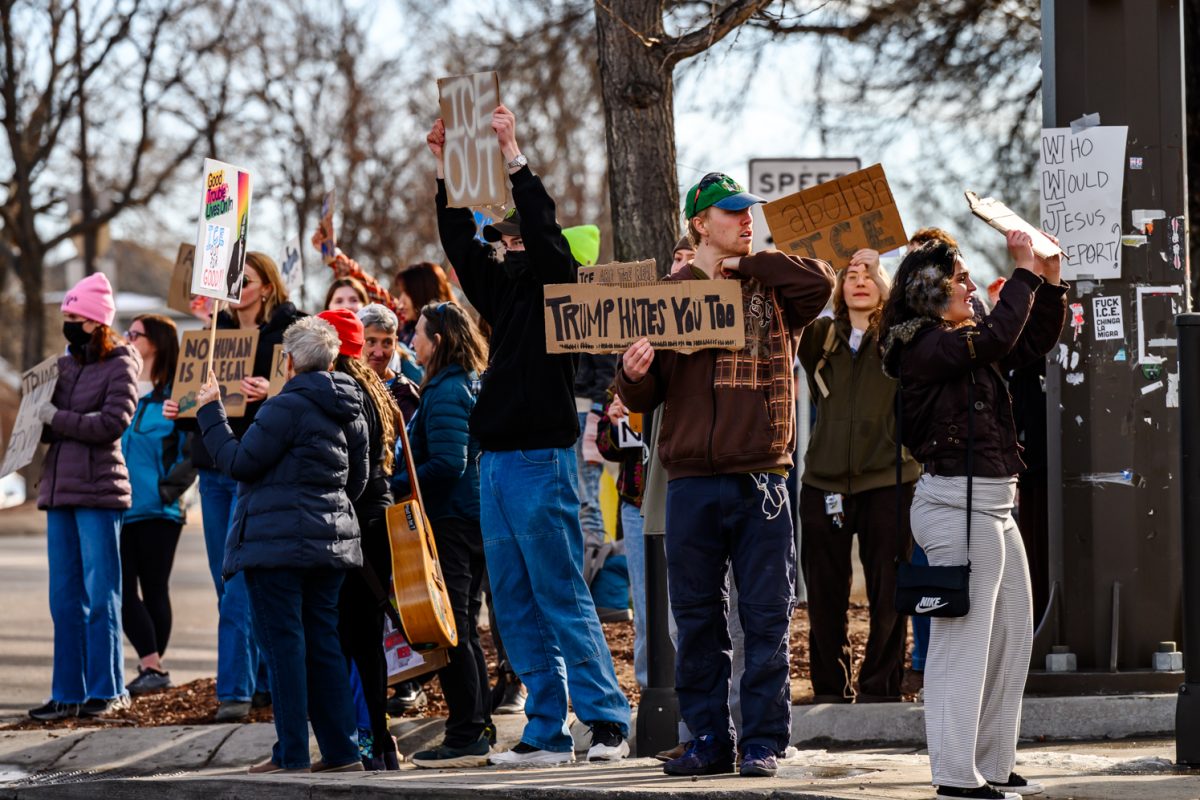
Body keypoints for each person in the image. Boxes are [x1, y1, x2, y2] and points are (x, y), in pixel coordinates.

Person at [428, 105, 631, 766]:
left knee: (560, 593)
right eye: (504, 237)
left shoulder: (553, 283)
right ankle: (544, 728)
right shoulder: (502, 291)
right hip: (496, 465)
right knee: (513, 604)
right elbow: (460, 247)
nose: (505, 243)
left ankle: (605, 721)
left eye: (513, 236)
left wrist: (512, 153)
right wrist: (444, 172)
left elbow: (544, 233)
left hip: (544, 457)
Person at [617, 171, 834, 778]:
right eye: (731, 212)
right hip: (689, 480)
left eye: (747, 210)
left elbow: (822, 283)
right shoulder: (668, 294)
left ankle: (763, 741)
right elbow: (642, 390)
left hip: (762, 477)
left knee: (765, 616)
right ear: (698, 223)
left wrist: (756, 263)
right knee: (696, 620)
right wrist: (633, 373)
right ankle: (708, 737)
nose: (744, 219)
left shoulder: (775, 284)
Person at [878, 231, 1064, 800]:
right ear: (929, 294)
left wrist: (1050, 281)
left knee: (1011, 636)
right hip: (953, 505)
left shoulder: (966, 337)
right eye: (956, 279)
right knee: (963, 643)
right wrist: (1026, 272)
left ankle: (993, 761)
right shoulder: (926, 345)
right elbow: (1000, 334)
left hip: (994, 505)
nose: (968, 284)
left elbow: (1026, 340)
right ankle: (956, 774)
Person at [196, 315, 369, 774]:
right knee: (324, 646)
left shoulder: (283, 406)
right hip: (329, 544)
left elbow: (238, 462)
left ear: (289, 362)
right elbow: (359, 481)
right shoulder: (352, 408)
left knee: (284, 648)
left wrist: (211, 412)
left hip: (275, 547)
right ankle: (341, 752)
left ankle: (290, 754)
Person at [164, 252, 304, 721]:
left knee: (242, 581)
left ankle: (234, 694)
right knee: (227, 583)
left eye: (246, 278)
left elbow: (308, 393)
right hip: (212, 469)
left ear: (268, 286)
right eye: (232, 279)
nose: (238, 285)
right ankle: (262, 680)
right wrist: (179, 409)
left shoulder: (291, 331)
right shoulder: (211, 335)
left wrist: (275, 390)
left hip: (256, 467)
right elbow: (193, 401)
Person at [796, 250, 919, 704]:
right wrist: (825, 267)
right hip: (824, 482)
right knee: (825, 596)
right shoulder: (821, 336)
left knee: (889, 593)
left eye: (870, 273)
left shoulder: (900, 336)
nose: (860, 280)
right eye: (851, 275)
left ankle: (880, 688)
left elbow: (922, 308)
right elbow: (798, 303)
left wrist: (894, 276)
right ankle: (829, 688)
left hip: (889, 480)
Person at [30, 273, 140, 721]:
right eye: (65, 316)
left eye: (74, 316)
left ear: (97, 321)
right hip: (59, 492)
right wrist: (36, 418)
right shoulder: (63, 366)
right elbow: (54, 427)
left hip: (99, 491)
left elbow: (112, 423)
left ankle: (107, 687)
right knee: (64, 599)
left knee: (101, 594)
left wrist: (58, 416)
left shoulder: (121, 362)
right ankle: (67, 691)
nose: (68, 322)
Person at [392, 302, 495, 768]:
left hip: (455, 520)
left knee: (451, 629)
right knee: (464, 626)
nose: (411, 340)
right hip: (469, 517)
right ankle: (476, 724)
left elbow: (449, 463)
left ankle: (467, 733)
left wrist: (394, 480)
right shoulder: (461, 381)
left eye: (418, 332)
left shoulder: (451, 389)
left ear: (439, 341)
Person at [316, 308, 403, 770]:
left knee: (347, 640)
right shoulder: (373, 388)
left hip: (355, 527)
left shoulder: (341, 390)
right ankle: (380, 743)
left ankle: (363, 743)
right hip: (377, 523)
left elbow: (349, 472)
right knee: (368, 642)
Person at [121, 313, 195, 696]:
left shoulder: (176, 396)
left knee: (154, 589)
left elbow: (193, 451)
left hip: (159, 510)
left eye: (134, 333)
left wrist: (170, 490)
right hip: (117, 507)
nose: (126, 337)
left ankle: (152, 667)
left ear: (156, 342)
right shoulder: (122, 388)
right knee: (119, 587)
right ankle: (153, 665)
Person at [596, 387, 648, 688]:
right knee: (644, 604)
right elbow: (605, 446)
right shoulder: (623, 382)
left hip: (682, 498)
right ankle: (650, 690)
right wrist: (615, 424)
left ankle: (690, 696)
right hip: (636, 502)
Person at [357, 303, 420, 424]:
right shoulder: (343, 386)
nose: (379, 353)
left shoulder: (406, 394)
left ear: (395, 343)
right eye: (371, 342)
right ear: (359, 340)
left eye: (387, 343)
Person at [392, 262, 454, 347]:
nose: (400, 303)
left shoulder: (447, 335)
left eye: (407, 293)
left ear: (424, 293)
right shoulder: (406, 330)